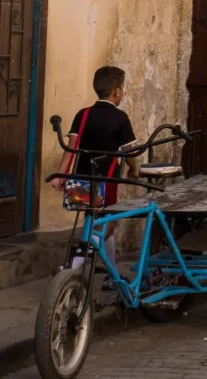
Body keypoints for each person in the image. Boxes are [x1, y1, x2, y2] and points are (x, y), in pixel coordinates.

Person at [52, 67, 140, 275]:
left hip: (82, 180)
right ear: (117, 92)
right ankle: (72, 267)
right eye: (123, 89)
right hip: (106, 182)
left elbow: (71, 148)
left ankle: (113, 274)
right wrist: (135, 170)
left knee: (97, 222)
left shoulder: (82, 115)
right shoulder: (120, 118)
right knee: (106, 225)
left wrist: (60, 175)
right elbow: (129, 152)